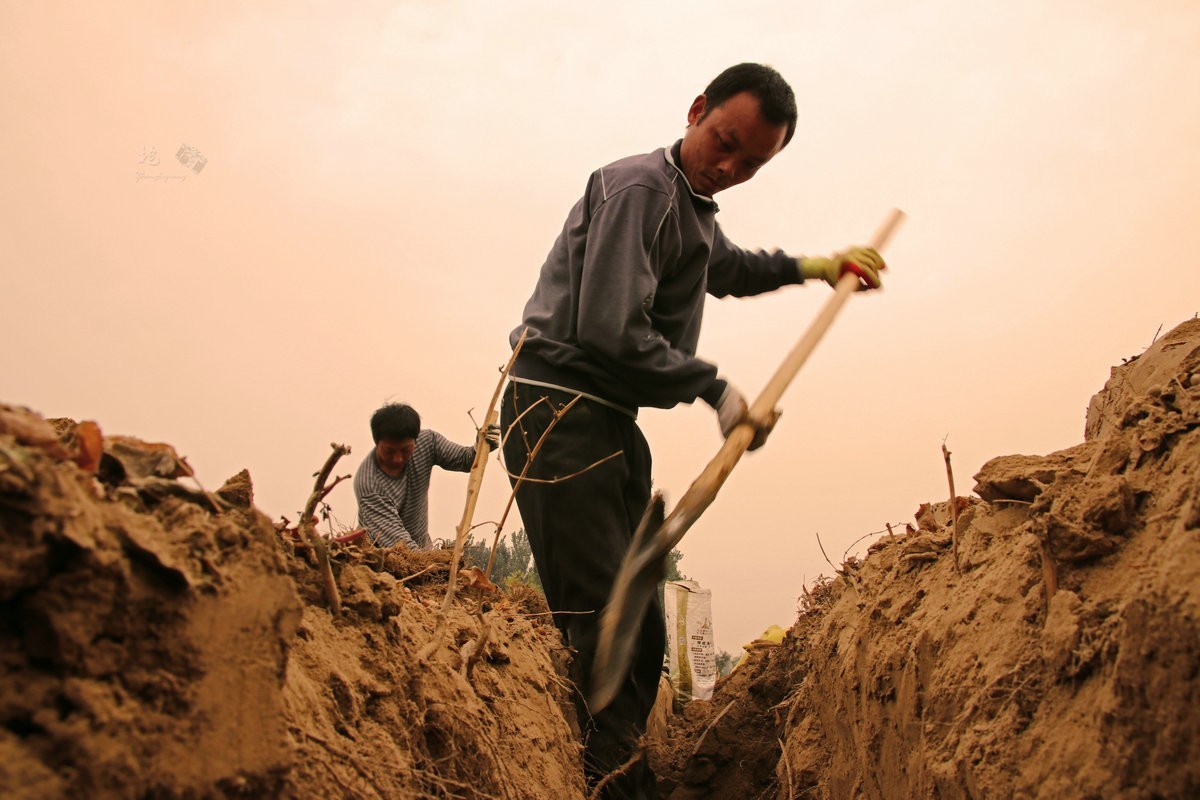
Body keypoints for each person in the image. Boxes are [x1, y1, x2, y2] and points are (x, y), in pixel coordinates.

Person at [500, 62, 885, 799]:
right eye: (724, 142)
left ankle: (621, 775)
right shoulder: (640, 188)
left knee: (639, 620)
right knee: (601, 620)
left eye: (752, 163)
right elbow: (612, 330)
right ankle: (606, 783)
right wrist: (716, 390)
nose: (730, 167)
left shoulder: (691, 210)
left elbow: (730, 266)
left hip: (607, 420)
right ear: (696, 109)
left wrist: (817, 265)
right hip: (556, 408)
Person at [354, 402, 498, 549]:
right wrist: (431, 566)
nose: (397, 458)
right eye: (389, 451)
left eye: (405, 450)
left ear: (416, 440)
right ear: (377, 443)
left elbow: (465, 460)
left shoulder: (427, 442)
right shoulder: (368, 484)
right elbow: (398, 543)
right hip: (381, 557)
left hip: (422, 550)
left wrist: (480, 447)